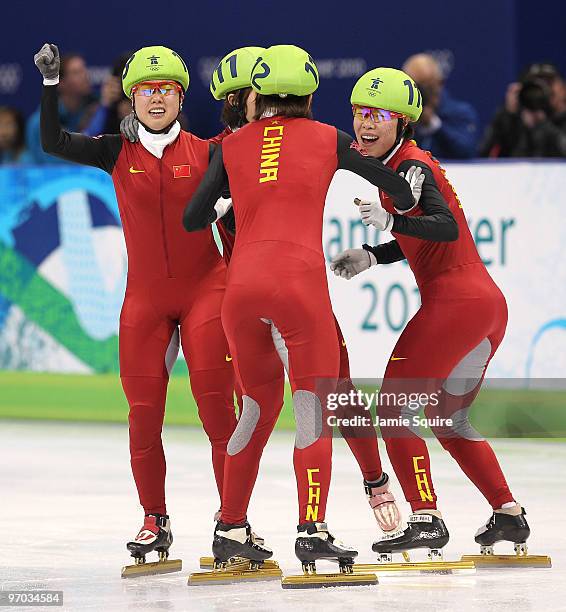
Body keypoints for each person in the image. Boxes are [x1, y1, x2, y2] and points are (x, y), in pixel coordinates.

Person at [184, 45, 421, 576]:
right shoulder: (329, 138)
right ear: (311, 95)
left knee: (255, 410)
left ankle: (229, 527)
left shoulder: (232, 144)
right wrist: (400, 205)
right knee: (313, 410)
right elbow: (398, 187)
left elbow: (193, 218)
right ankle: (311, 532)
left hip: (240, 292)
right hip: (299, 288)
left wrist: (235, 198)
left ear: (259, 97)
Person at [34, 42, 238, 574]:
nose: (155, 98)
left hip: (205, 292)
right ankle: (154, 520)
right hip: (145, 300)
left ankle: (233, 521)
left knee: (217, 409)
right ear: (131, 96)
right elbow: (52, 140)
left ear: (179, 97)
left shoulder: (209, 151)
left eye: (166, 90)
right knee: (143, 418)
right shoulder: (113, 150)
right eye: (146, 89)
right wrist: (52, 86)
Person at [331, 67, 529, 561]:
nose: (364, 125)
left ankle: (425, 518)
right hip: (483, 305)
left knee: (395, 410)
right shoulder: (401, 163)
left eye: (377, 115)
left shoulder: (410, 165)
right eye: (359, 113)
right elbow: (428, 229)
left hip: (456, 304)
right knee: (447, 417)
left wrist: (393, 220)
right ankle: (508, 513)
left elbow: (441, 225)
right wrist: (376, 254)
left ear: (402, 122)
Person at [480, 62, 566, 158]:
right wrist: (508, 115)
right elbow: (484, 155)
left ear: (563, 89)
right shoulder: (513, 119)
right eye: (536, 86)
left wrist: (543, 125)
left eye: (549, 83)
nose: (544, 90)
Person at [402, 53, 478, 159]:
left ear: (439, 83)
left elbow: (467, 152)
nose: (421, 94)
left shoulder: (461, 113)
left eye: (427, 87)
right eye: (415, 88)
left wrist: (435, 125)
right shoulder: (399, 117)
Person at [28, 51, 97, 164]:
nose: (85, 76)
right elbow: (54, 164)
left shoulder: (98, 109)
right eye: (76, 73)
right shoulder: (40, 122)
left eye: (84, 70)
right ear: (60, 82)